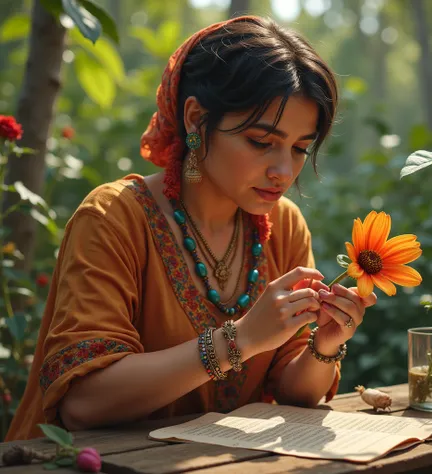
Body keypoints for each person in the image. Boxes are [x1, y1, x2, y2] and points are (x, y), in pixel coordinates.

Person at [6, 15, 376, 441]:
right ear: (197, 119)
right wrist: (241, 339)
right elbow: (84, 403)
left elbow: (295, 393)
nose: (282, 171)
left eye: (299, 149)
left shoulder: (284, 226)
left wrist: (324, 345)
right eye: (261, 141)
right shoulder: (113, 218)